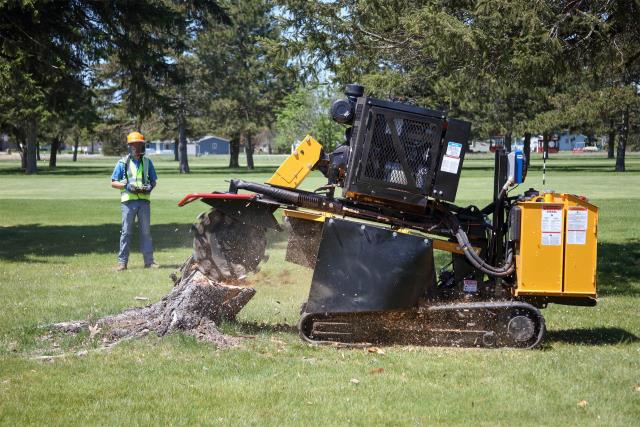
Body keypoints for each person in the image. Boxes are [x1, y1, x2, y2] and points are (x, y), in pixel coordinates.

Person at [111, 131, 159, 271]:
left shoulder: (147, 162)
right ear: (129, 146)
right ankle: (122, 263)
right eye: (134, 145)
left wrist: (150, 186)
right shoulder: (122, 163)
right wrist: (126, 186)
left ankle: (149, 262)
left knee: (146, 232)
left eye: (139, 145)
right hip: (128, 202)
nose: (136, 147)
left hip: (144, 202)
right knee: (126, 232)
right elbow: (113, 183)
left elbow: (154, 181)